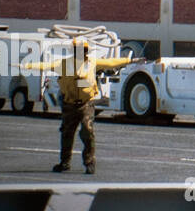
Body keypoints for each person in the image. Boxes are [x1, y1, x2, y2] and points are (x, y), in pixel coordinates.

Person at [25, 38, 134, 174]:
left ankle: (89, 162)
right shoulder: (63, 64)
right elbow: (45, 65)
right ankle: (65, 163)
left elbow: (111, 63)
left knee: (87, 130)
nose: (83, 53)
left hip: (85, 104)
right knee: (67, 133)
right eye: (79, 50)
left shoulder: (92, 63)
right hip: (69, 104)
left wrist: (130, 61)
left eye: (84, 50)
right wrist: (26, 66)